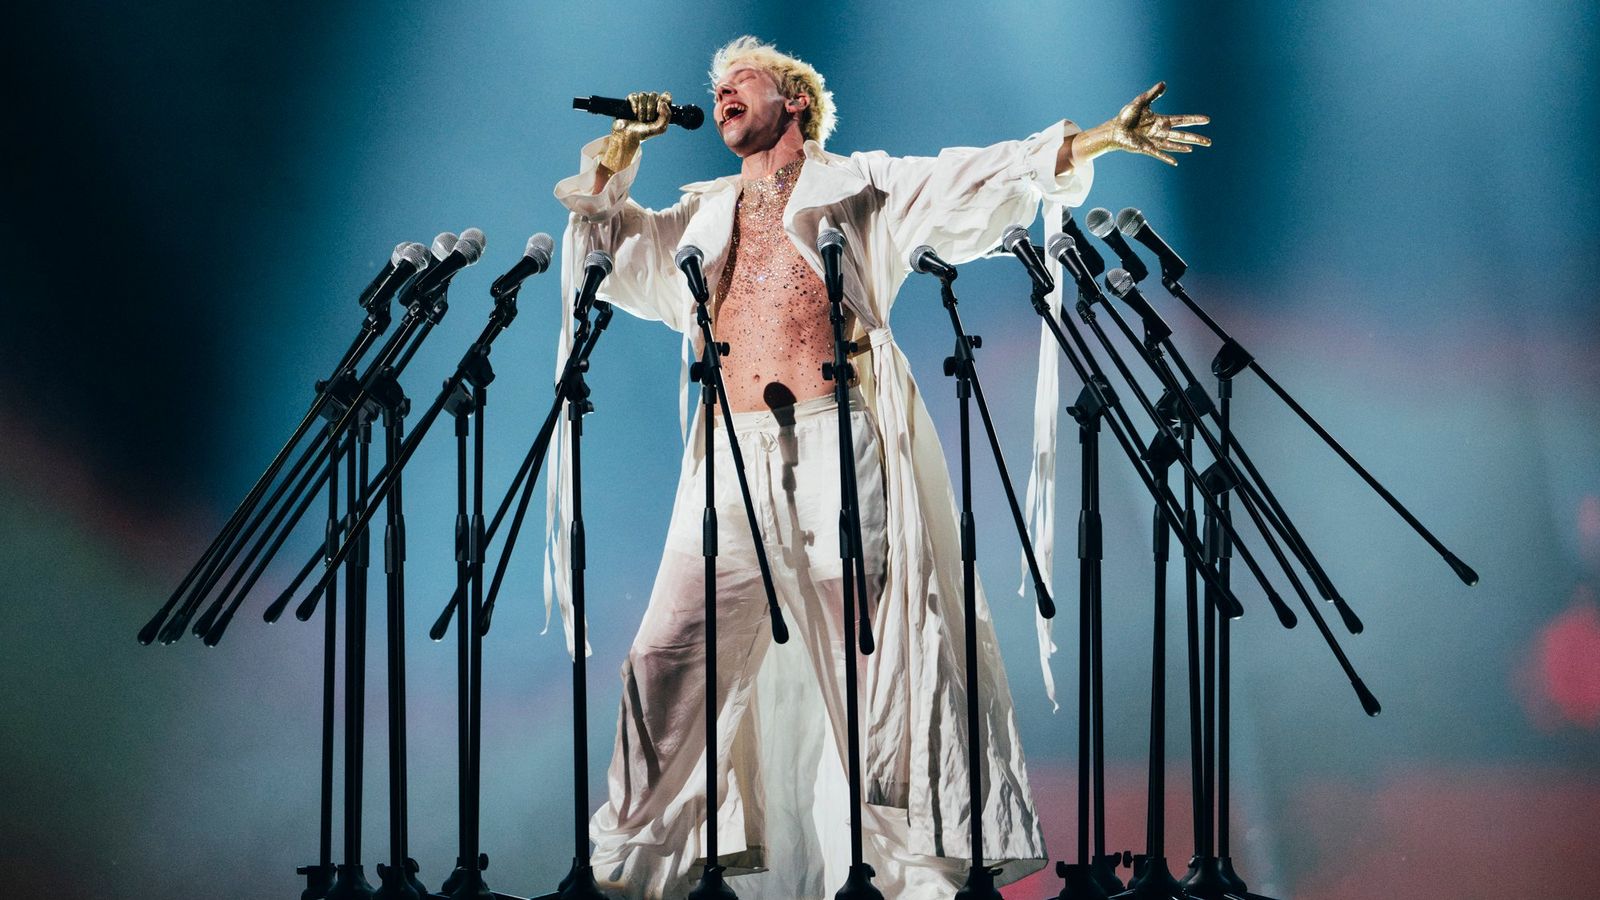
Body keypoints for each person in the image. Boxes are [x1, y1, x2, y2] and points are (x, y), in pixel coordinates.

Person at [545, 35, 1209, 900]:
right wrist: (617, 153)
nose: (722, 93)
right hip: (730, 459)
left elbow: (978, 174)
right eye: (717, 86)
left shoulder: (861, 186)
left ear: (796, 100)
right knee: (668, 653)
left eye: (742, 80)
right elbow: (607, 259)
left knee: (876, 661)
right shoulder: (700, 217)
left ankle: (913, 875)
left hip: (837, 440)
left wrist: (1102, 138)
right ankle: (627, 865)